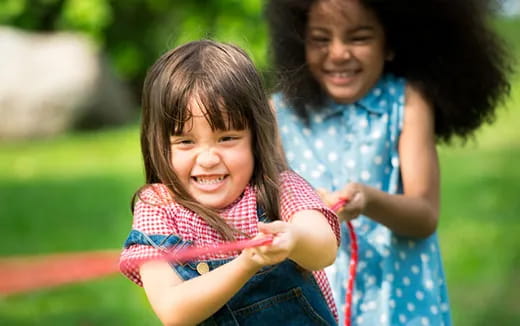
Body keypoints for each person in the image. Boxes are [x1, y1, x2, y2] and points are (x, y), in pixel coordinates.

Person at [265, 0, 513, 325]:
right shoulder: (279, 115)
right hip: (316, 299)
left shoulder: (407, 103)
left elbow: (424, 215)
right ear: (299, 42)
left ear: (391, 43)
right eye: (321, 39)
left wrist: (367, 200)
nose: (338, 53)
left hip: (397, 299)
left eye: (359, 38)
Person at [119, 39, 342, 326]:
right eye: (186, 142)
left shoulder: (279, 188)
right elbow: (174, 311)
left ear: (255, 137)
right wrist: (247, 263)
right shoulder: (158, 208)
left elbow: (324, 250)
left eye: (227, 138)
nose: (208, 158)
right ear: (161, 146)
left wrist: (294, 238)